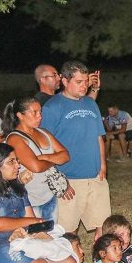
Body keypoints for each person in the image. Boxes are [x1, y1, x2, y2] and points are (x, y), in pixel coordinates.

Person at [41, 60, 111, 239]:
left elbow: (98, 136)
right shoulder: (52, 107)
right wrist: (58, 180)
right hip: (69, 177)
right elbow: (44, 146)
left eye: (86, 81)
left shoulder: (90, 103)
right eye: (79, 82)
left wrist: (102, 165)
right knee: (69, 230)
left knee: (103, 225)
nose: (84, 85)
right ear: (64, 81)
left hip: (95, 175)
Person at [3, 98, 70, 222]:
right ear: (20, 115)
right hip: (30, 201)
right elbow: (36, 167)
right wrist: (55, 159)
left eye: (40, 112)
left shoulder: (44, 132)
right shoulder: (15, 138)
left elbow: (65, 155)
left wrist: (45, 157)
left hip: (49, 196)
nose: (39, 116)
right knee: (34, 238)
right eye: (34, 112)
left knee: (52, 235)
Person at [34, 64, 101, 104]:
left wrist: (94, 88)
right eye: (54, 75)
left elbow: (86, 105)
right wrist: (84, 85)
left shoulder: (56, 98)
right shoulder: (41, 101)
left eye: (58, 75)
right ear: (42, 80)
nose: (59, 78)